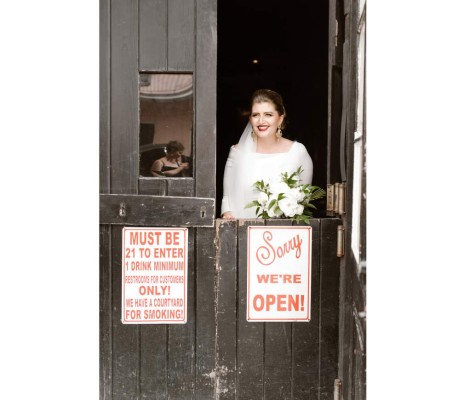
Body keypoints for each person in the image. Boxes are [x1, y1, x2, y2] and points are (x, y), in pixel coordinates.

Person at [221, 89, 313, 219]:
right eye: (256, 115)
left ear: (280, 118)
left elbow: (304, 201)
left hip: (284, 234)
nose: (261, 121)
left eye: (268, 115)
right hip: (242, 230)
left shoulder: (297, 152)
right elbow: (227, 201)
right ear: (250, 119)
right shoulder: (237, 152)